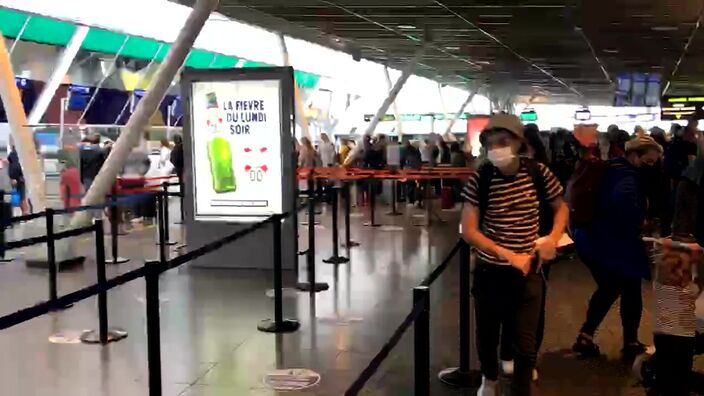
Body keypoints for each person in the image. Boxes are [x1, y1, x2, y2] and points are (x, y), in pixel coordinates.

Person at [461, 114, 568, 396]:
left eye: (504, 141)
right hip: (490, 271)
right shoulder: (481, 178)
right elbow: (469, 230)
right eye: (490, 143)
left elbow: (561, 207)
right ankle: (490, 378)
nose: (497, 148)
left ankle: (521, 388)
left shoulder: (538, 173)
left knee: (525, 342)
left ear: (519, 143)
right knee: (487, 334)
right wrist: (506, 254)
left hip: (528, 271)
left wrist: (553, 239)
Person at [571, 135, 663, 360]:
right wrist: (641, 221)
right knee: (628, 287)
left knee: (611, 287)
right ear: (634, 155)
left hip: (591, 239)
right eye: (648, 162)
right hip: (610, 242)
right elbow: (622, 200)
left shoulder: (611, 168)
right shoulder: (627, 176)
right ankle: (629, 343)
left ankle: (587, 336)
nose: (650, 167)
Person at [7, 146, 28, 215]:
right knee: (22, 197)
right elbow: (18, 167)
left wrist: (11, 178)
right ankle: (25, 214)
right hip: (20, 179)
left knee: (16, 196)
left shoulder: (11, 155)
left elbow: (10, 167)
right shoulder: (20, 155)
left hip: (14, 179)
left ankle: (18, 214)